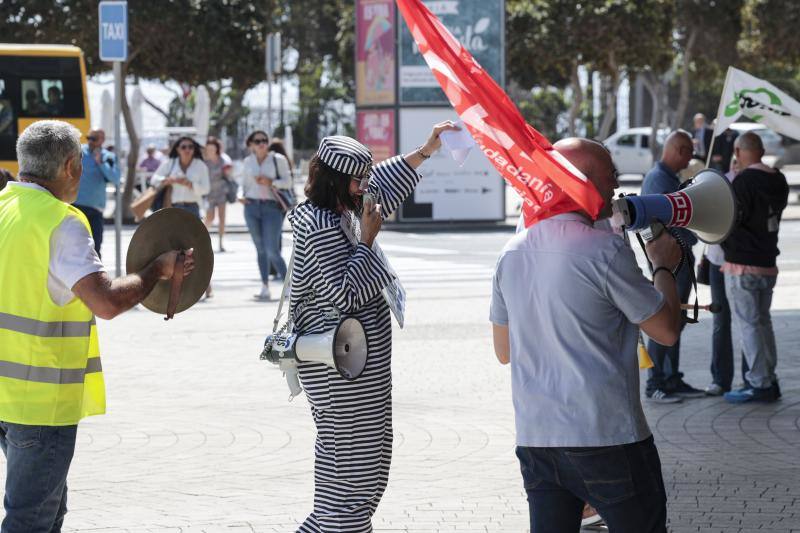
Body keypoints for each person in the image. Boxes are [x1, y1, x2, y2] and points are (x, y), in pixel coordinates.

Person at [0, 120, 195, 531]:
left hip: (6, 395)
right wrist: (156, 270)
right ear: (71, 166)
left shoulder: (4, 206)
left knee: (48, 512)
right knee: (29, 520)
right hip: (40, 404)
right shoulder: (61, 222)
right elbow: (105, 302)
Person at [490, 138, 683, 533]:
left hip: (537, 437)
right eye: (611, 175)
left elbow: (504, 350)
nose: (616, 185)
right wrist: (664, 266)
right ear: (585, 180)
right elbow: (666, 330)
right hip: (606, 434)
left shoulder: (511, 252)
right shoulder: (604, 250)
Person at [290, 122, 458, 532]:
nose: (366, 187)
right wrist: (366, 241)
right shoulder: (318, 223)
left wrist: (427, 149)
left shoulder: (344, 205)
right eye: (358, 181)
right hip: (340, 374)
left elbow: (383, 182)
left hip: (360, 371)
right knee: (349, 474)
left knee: (366, 468)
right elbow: (344, 295)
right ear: (334, 180)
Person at [721, 132, 788, 404]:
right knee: (763, 322)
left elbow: (730, 219)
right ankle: (769, 378)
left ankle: (759, 383)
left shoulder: (743, 182)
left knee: (748, 325)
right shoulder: (779, 180)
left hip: (742, 264)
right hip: (767, 262)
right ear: (761, 151)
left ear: (737, 151)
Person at [641, 130, 703, 403]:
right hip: (672, 263)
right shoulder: (659, 180)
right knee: (667, 319)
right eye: (689, 152)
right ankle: (655, 383)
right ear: (678, 150)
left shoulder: (666, 178)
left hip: (676, 260)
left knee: (675, 320)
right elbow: (666, 225)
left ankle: (671, 378)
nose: (690, 159)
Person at [240, 131, 291, 301]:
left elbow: (288, 182)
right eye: (257, 141)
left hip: (272, 207)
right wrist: (241, 196)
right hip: (251, 207)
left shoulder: (278, 159)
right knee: (260, 249)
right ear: (251, 145)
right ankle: (264, 286)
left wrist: (271, 182)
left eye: (264, 140)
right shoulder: (248, 162)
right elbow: (243, 185)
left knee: (272, 250)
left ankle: (288, 286)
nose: (261, 143)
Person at [703, 157, 739, 396]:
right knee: (723, 320)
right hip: (719, 260)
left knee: (727, 321)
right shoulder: (722, 182)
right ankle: (723, 378)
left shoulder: (742, 182)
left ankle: (723, 379)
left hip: (731, 261)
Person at [73, 129, 120, 258]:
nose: (90, 141)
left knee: (95, 248)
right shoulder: (78, 153)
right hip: (75, 207)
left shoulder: (108, 157)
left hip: (95, 210)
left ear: (102, 140)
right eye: (88, 138)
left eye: (94, 139)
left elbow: (115, 178)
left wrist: (101, 163)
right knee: (74, 247)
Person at [150, 136, 209, 218]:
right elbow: (154, 179)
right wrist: (167, 180)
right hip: (173, 207)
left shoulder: (200, 165)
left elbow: (206, 189)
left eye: (190, 147)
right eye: (183, 147)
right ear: (178, 149)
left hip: (193, 208)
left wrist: (190, 184)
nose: (187, 150)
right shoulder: (170, 163)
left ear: (194, 149)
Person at [203, 136, 233, 253]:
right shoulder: (204, 162)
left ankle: (221, 243)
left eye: (213, 148)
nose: (211, 151)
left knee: (222, 218)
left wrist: (228, 171)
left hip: (221, 192)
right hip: (209, 193)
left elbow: (229, 174)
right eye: (208, 149)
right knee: (209, 218)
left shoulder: (223, 159)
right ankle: (201, 239)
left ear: (217, 148)